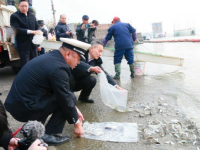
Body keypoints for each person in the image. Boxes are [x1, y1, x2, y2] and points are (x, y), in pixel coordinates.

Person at [4, 38, 89, 146]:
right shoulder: (59, 68)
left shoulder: (52, 58)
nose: (78, 63)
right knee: (70, 98)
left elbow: (61, 92)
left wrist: (75, 110)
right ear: (68, 54)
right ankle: (49, 134)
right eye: (78, 58)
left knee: (65, 98)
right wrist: (77, 123)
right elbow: (66, 98)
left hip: (19, 104)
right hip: (25, 108)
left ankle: (32, 128)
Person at [10, 0, 40, 67]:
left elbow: (37, 26)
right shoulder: (14, 16)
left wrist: (39, 31)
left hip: (33, 44)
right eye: (22, 6)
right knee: (26, 65)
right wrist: (30, 31)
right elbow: (16, 29)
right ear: (18, 6)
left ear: (28, 6)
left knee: (35, 63)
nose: (24, 8)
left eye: (26, 6)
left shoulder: (32, 15)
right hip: (23, 45)